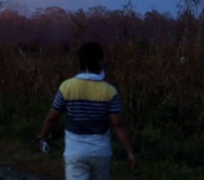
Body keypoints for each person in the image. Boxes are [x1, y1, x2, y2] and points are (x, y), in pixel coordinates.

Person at [37, 42, 137, 180]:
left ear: (80, 62)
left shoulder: (67, 87)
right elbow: (118, 124)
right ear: (100, 63)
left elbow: (52, 118)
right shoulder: (110, 91)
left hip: (75, 152)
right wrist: (130, 151)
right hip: (101, 152)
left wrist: (43, 137)